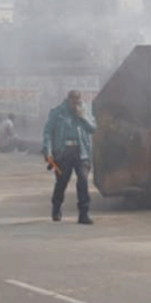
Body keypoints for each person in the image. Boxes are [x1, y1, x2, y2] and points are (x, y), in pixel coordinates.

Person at [42, 90, 97, 225]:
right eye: (74, 102)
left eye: (78, 102)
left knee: (83, 182)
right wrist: (48, 151)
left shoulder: (84, 111)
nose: (76, 104)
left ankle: (83, 213)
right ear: (68, 100)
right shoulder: (57, 112)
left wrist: (83, 117)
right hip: (63, 152)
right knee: (62, 182)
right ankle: (56, 209)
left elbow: (93, 128)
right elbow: (48, 132)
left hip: (81, 152)